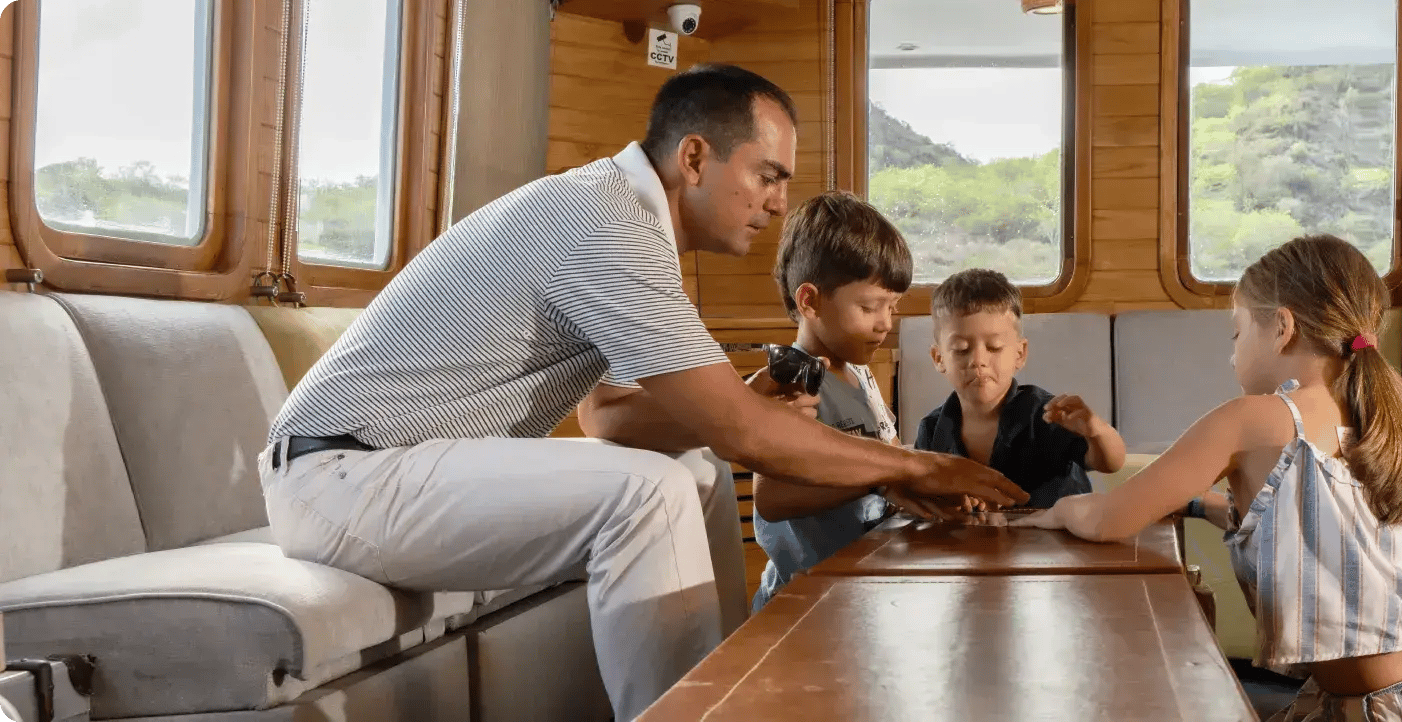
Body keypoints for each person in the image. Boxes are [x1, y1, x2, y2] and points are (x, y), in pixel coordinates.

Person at [258, 63, 1027, 719]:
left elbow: (610, 417)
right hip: (341, 475)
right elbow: (745, 438)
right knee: (647, 492)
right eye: (766, 176)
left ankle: (729, 689)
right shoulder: (605, 222)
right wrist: (916, 467)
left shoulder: (629, 225)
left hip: (385, 473)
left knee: (687, 473)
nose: (777, 204)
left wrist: (740, 403)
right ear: (695, 158)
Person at [1015, 235, 1402, 721]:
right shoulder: (1375, 410)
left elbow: (1107, 519)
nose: (1232, 352)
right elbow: (1318, 525)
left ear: (1282, 327)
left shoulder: (1253, 418)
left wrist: (1057, 509)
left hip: (1393, 703)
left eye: (1237, 331)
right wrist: (1199, 504)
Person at [747, 190, 926, 611]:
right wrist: (883, 473)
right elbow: (773, 499)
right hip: (804, 600)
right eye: (870, 307)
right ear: (809, 301)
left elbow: (888, 457)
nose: (885, 323)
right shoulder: (793, 379)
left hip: (859, 590)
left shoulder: (861, 372)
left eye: (893, 308)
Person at [915, 269, 1127, 509]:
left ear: (1020, 354)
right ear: (938, 358)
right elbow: (925, 495)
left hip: (1057, 541)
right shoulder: (932, 430)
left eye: (994, 347)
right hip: (974, 543)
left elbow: (1111, 463)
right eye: (962, 349)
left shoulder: (1047, 415)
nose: (978, 360)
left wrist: (1096, 431)